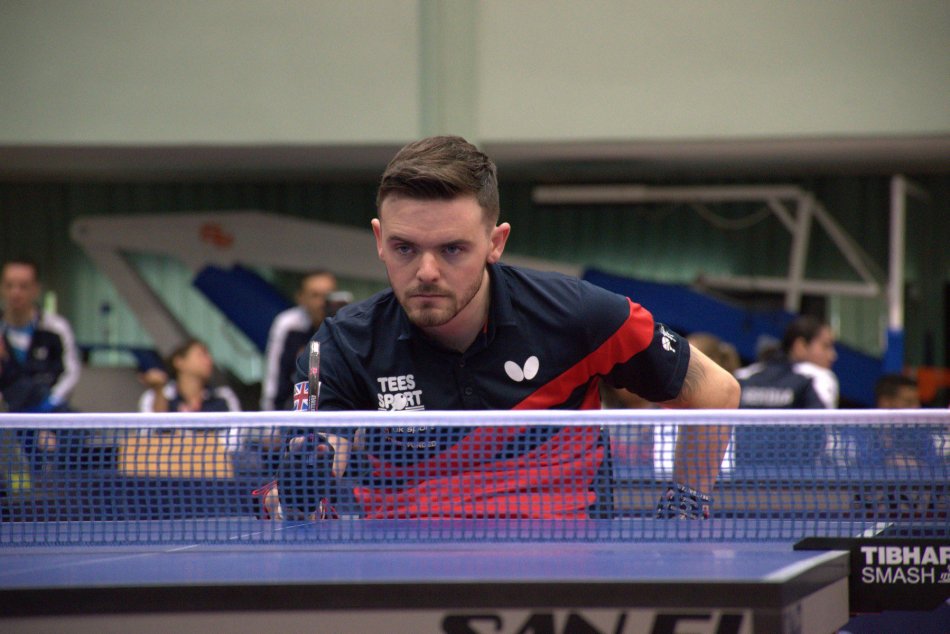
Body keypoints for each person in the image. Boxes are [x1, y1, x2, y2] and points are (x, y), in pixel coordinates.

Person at [273, 136, 739, 521]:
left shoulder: (579, 316)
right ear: (379, 240)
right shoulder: (339, 347)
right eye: (405, 248)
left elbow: (715, 390)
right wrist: (300, 481)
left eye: (453, 249)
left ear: (496, 243)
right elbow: (311, 458)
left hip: (568, 572)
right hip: (405, 576)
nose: (427, 271)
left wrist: (687, 504)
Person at [1, 257, 81, 468]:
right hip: (6, 419)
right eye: (9, 285)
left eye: (23, 286)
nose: (15, 292)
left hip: (51, 413)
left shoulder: (56, 328)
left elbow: (71, 371)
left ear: (36, 289)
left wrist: (48, 407)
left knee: (77, 435)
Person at [734, 315, 839, 465]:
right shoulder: (820, 378)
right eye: (826, 346)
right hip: (795, 481)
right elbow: (822, 438)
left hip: (741, 480)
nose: (833, 355)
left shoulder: (742, 376)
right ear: (800, 346)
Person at [139, 339, 244, 450]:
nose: (209, 360)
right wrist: (159, 391)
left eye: (208, 355)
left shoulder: (224, 396)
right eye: (201, 354)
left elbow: (235, 440)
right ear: (179, 362)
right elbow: (148, 439)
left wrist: (187, 441)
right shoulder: (153, 396)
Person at [260, 271, 344, 411]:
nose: (322, 302)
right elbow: (275, 377)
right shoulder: (288, 325)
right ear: (301, 298)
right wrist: (271, 420)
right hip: (294, 412)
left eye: (327, 295)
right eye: (315, 295)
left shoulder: (347, 325)